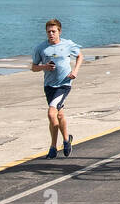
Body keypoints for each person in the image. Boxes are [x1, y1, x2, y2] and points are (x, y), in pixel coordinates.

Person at [31, 19, 83, 159]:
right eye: (49, 32)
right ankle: (67, 141)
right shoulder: (41, 48)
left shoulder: (67, 44)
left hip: (64, 84)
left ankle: (53, 147)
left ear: (59, 31)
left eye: (54, 31)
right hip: (49, 86)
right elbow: (34, 67)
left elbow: (79, 56)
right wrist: (44, 67)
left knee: (51, 113)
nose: (51, 34)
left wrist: (75, 71)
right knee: (59, 115)